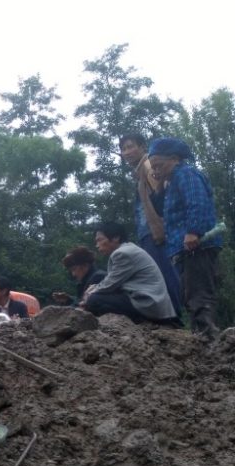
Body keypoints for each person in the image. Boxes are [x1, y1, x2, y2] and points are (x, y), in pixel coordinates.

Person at [149, 137, 225, 339]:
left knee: (198, 294)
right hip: (184, 249)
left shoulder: (186, 174)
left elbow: (196, 202)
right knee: (190, 294)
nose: (156, 170)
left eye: (159, 164)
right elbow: (160, 210)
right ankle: (203, 337)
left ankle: (209, 340)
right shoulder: (170, 182)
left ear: (174, 158)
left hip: (196, 246)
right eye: (153, 167)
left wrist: (193, 231)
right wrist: (158, 186)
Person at [120, 133, 182, 315]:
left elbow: (161, 198)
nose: (127, 152)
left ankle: (175, 317)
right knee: (162, 275)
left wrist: (160, 228)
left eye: (130, 146)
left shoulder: (148, 166)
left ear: (142, 147)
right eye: (123, 149)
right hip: (150, 232)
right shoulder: (141, 171)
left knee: (165, 276)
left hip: (156, 232)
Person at [80, 221, 177, 324]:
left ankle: (138, 323)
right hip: (148, 302)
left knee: (94, 300)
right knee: (96, 298)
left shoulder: (122, 253)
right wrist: (94, 289)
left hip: (148, 303)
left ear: (116, 237)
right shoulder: (128, 249)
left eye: (99, 240)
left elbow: (110, 284)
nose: (97, 245)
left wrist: (90, 292)